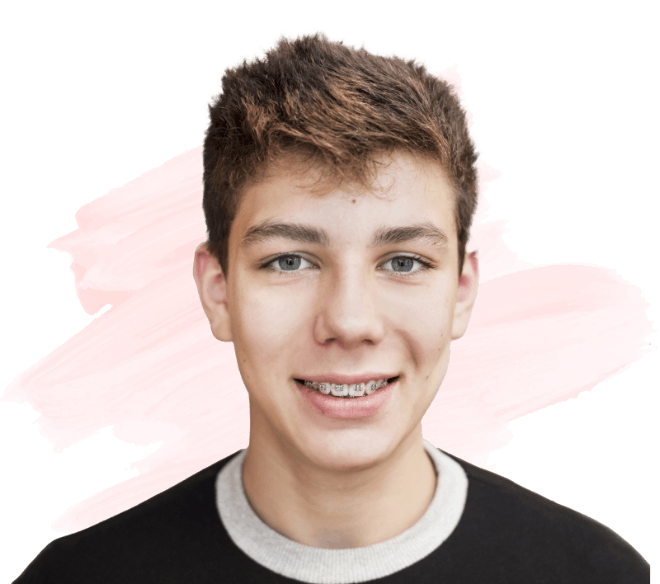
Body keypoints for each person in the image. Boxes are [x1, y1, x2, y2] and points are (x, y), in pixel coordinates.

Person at [14, 30, 649, 583]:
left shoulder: (595, 577)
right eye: (289, 261)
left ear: (461, 290)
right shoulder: (78, 580)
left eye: (403, 262)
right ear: (218, 290)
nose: (348, 322)